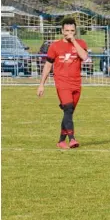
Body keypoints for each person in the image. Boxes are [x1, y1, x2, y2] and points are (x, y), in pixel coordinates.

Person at [37, 18, 88, 149]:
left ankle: (61, 141)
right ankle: (72, 139)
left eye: (72, 30)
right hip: (62, 83)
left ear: (75, 31)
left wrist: (74, 41)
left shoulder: (81, 43)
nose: (69, 33)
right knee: (69, 108)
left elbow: (84, 57)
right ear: (62, 31)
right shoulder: (54, 46)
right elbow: (48, 66)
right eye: (66, 30)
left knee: (68, 112)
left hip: (76, 83)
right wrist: (41, 84)